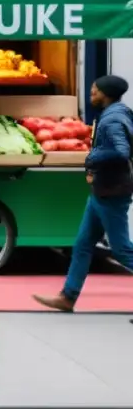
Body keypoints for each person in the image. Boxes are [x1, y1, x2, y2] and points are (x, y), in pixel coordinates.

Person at [34, 75, 133, 312]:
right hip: (101, 190)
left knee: (121, 250)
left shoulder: (113, 119)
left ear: (106, 94)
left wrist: (92, 156)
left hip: (111, 191)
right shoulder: (117, 112)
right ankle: (68, 297)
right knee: (83, 244)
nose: (91, 94)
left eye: (95, 91)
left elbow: (121, 152)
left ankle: (68, 296)